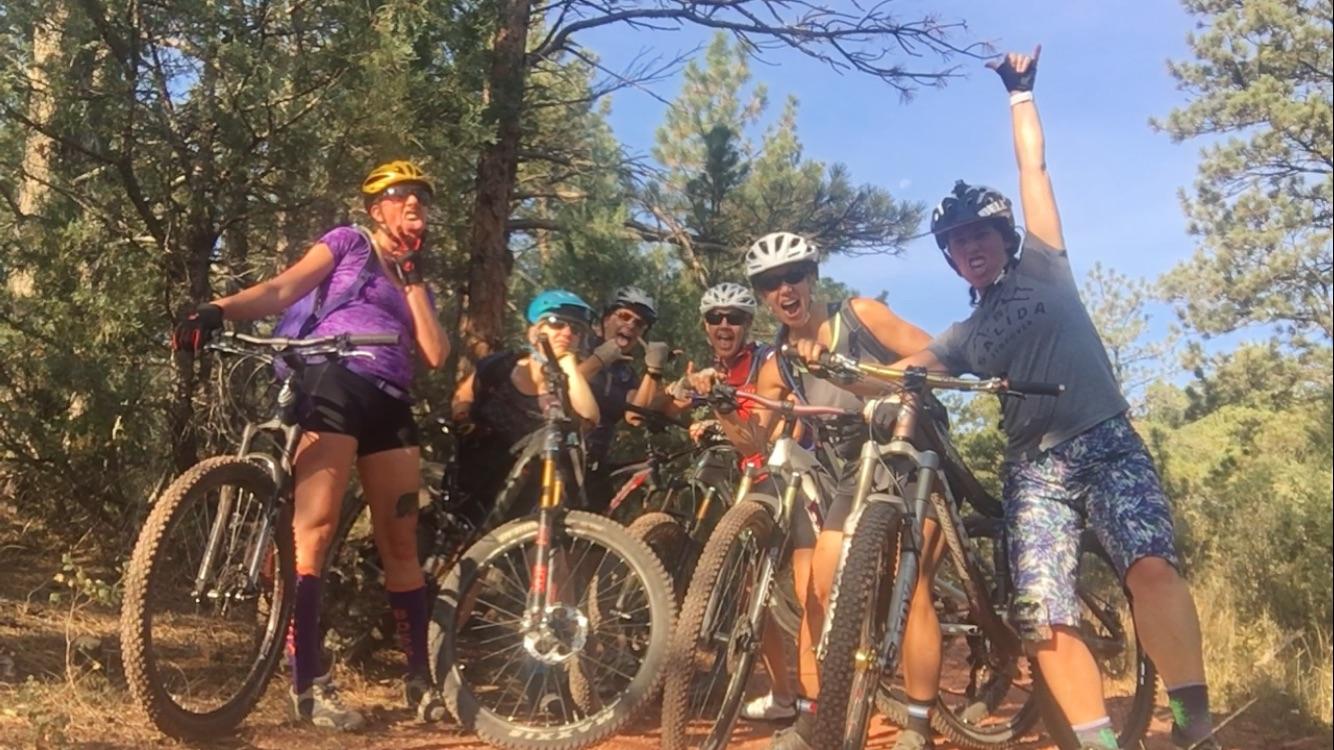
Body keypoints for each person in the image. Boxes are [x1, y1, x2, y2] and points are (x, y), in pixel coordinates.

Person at [895, 47, 1216, 750]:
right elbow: (904, 366)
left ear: (1004, 238)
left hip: (1103, 437)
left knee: (1151, 567)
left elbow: (1033, 171)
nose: (969, 245)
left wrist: (1019, 94)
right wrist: (827, 373)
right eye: (956, 241)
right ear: (950, 258)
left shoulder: (1045, 264)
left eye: (979, 232)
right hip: (1033, 471)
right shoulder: (966, 334)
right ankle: (1100, 745)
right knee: (1043, 615)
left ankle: (1195, 729)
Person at [172, 159, 449, 730]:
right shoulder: (349, 242)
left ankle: (419, 678)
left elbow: (437, 353)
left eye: (421, 197)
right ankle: (307, 680)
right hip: (331, 381)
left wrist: (414, 277)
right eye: (401, 195)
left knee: (401, 543)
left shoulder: (411, 275)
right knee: (314, 531)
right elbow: (283, 288)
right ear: (377, 209)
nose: (414, 203)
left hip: (391, 401)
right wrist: (217, 310)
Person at [706, 232, 940, 750]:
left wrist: (866, 381)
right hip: (852, 472)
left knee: (915, 573)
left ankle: (918, 723)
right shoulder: (778, 361)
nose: (784, 289)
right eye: (770, 282)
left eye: (793, 276)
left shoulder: (859, 316)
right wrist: (724, 406)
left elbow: (939, 354)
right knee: (819, 577)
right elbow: (755, 436)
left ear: (812, 279)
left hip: (910, 448)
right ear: (764, 294)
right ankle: (816, 716)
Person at [450, 290, 601, 525]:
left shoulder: (567, 383)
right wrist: (463, 420)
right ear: (533, 332)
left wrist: (568, 363)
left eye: (576, 329)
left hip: (525, 492)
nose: (568, 333)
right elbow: (464, 394)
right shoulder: (500, 365)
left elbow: (590, 418)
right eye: (556, 323)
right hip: (474, 476)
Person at [577, 286, 673, 509]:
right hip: (558, 456)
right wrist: (599, 359)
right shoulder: (580, 346)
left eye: (639, 323)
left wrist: (654, 371)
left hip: (593, 465)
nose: (630, 325)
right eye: (624, 316)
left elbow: (635, 414)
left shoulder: (625, 373)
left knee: (597, 537)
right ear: (606, 319)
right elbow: (562, 385)